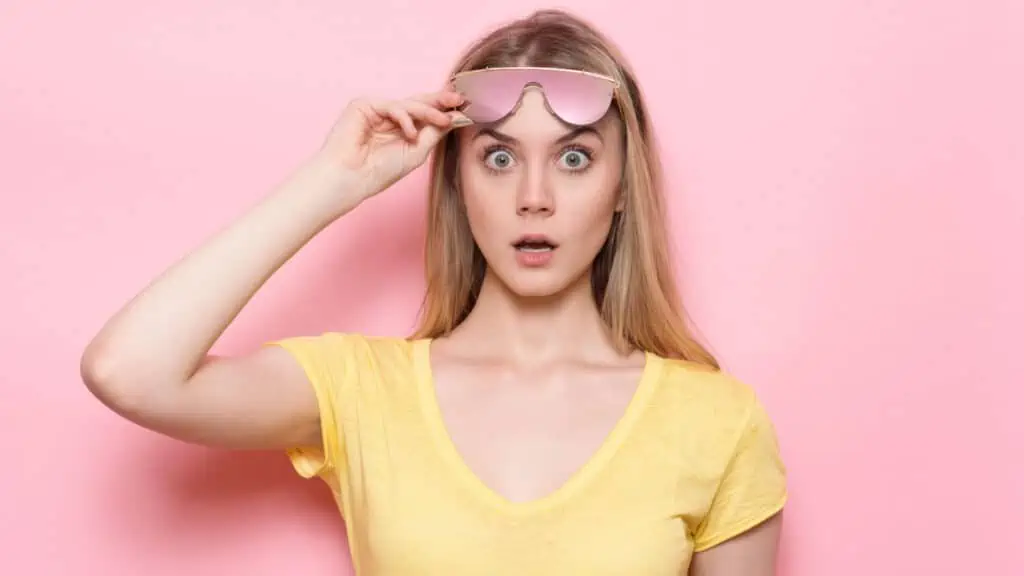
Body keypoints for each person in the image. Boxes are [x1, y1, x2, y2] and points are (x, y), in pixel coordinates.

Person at [80, 8, 787, 576]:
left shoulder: (717, 421)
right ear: (455, 180)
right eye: (498, 157)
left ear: (622, 189)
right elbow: (129, 371)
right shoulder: (362, 390)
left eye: (575, 158)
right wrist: (335, 182)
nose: (533, 198)